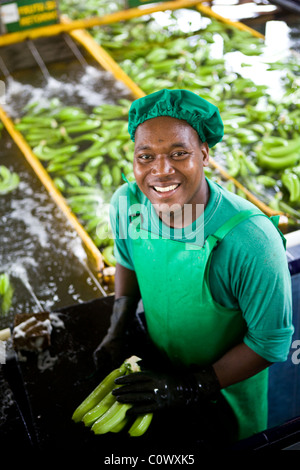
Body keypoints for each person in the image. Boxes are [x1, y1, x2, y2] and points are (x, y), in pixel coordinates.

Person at [94, 89, 294, 446]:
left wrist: (188, 387)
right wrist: (118, 327)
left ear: (204, 152)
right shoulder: (127, 203)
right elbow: (127, 261)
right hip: (157, 361)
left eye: (178, 153)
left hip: (225, 390)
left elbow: (269, 343)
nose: (161, 171)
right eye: (146, 156)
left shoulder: (250, 240)